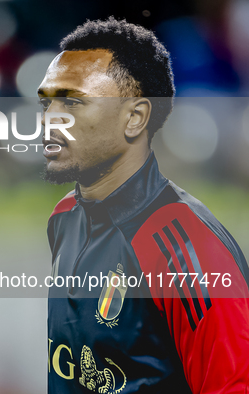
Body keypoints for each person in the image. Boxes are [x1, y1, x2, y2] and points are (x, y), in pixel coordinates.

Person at [40, 17, 249, 393]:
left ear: (135, 117)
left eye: (73, 101)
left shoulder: (185, 247)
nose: (50, 120)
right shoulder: (64, 217)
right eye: (47, 102)